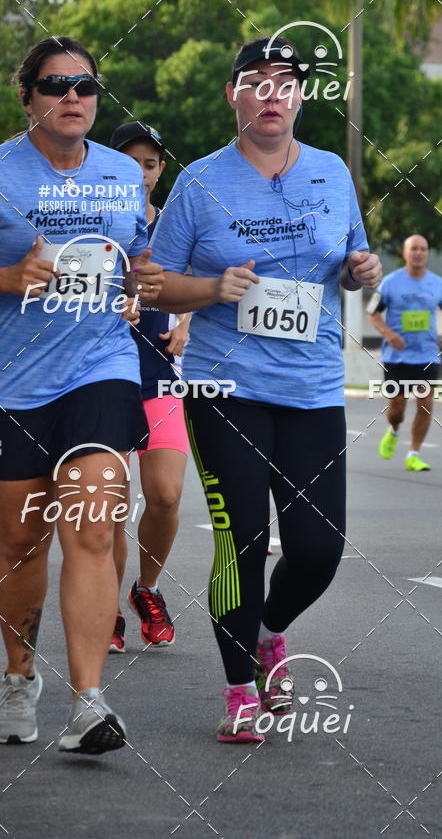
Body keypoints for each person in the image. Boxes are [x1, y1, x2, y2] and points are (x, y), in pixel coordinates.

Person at [151, 36, 381, 742]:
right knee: (240, 540)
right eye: (258, 81)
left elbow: (348, 256)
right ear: (235, 95)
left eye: (288, 82)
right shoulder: (200, 183)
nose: (274, 93)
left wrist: (361, 270)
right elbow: (153, 284)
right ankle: (237, 690)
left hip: (311, 386)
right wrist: (214, 287)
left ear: (301, 97)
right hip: (226, 387)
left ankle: (269, 632)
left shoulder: (332, 171)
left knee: (319, 549)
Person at [0, 37, 163, 754]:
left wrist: (142, 288)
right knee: (17, 538)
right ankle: (18, 676)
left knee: (95, 522)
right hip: (15, 376)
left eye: (86, 86)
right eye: (56, 84)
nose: (73, 96)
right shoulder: (1, 170)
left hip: (100, 364)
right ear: (28, 96)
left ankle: (88, 705)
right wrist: (6, 280)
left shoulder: (123, 176)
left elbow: (138, 259)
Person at [108, 122, 190, 652]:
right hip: (104, 375)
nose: (141, 171)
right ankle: (104, 605)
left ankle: (148, 589)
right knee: (111, 504)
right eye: (131, 160)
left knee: (164, 495)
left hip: (161, 374)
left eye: (151, 162)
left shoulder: (174, 226)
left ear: (161, 170)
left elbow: (197, 286)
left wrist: (186, 325)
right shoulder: (94, 222)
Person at [368, 234, 442, 471]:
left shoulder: (438, 283)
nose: (419, 253)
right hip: (396, 357)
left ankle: (413, 453)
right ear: (405, 253)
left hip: (427, 355)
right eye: (414, 249)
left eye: (423, 249)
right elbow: (372, 312)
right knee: (396, 409)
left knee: (425, 403)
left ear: (427, 254)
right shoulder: (389, 282)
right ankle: (394, 429)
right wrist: (388, 334)